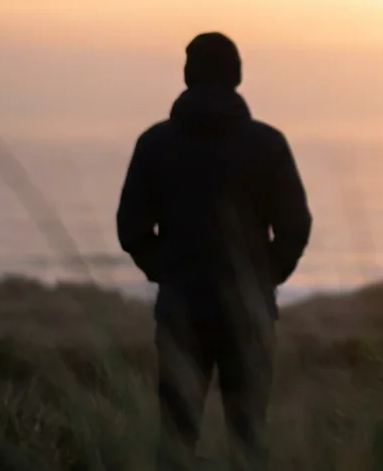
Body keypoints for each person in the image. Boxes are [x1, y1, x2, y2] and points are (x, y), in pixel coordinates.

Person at [117, 32, 313, 470]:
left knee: (175, 435)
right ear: (238, 76)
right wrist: (264, 277)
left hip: (180, 309)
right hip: (248, 312)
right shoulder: (267, 144)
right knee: (248, 435)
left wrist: (166, 270)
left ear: (187, 75)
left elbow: (130, 228)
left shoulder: (156, 143)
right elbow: (295, 226)